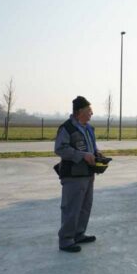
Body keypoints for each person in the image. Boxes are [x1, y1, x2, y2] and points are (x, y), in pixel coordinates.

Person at [54, 96, 101, 253]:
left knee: (85, 207)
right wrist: (82, 156)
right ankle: (66, 240)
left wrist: (97, 153)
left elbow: (91, 147)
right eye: (89, 110)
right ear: (80, 111)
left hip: (88, 174)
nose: (91, 113)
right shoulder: (67, 128)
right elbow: (60, 149)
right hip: (73, 176)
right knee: (71, 208)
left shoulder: (89, 128)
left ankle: (78, 234)